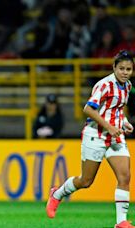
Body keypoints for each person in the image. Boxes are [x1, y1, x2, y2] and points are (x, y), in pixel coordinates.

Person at [46, 50, 135, 228]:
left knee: (124, 176)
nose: (125, 72)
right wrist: (109, 126)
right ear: (114, 68)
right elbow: (88, 109)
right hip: (96, 135)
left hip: (115, 137)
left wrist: (123, 122)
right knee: (85, 181)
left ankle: (121, 222)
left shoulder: (127, 86)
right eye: (122, 69)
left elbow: (115, 109)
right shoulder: (104, 85)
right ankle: (57, 194)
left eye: (129, 69)